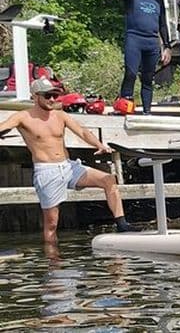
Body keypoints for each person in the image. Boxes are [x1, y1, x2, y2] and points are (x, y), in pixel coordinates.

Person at [0, 78, 137, 245]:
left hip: (68, 166)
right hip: (46, 171)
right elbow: (3, 126)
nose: (52, 99)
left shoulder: (60, 115)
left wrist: (99, 145)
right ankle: (53, 262)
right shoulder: (23, 117)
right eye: (47, 96)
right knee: (51, 224)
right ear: (35, 96)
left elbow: (82, 131)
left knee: (108, 180)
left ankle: (122, 225)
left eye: (54, 96)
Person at [110, 0, 171, 114]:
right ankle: (124, 105)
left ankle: (147, 111)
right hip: (134, 39)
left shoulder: (158, 1)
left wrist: (167, 46)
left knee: (148, 78)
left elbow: (163, 25)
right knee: (131, 73)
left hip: (152, 43)